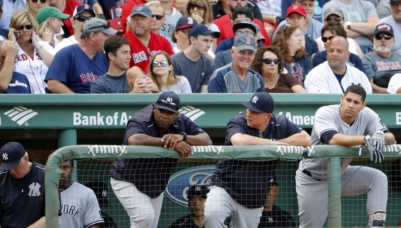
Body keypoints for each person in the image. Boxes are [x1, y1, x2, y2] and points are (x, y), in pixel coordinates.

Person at [204, 92, 311, 228]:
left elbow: (306, 139)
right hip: (225, 186)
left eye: (255, 112)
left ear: (268, 116)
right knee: (211, 217)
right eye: (249, 109)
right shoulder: (238, 121)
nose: (249, 114)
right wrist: (270, 144)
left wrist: (279, 142)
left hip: (254, 195)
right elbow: (239, 140)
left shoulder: (280, 123)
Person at [296, 85, 397, 228]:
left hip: (340, 175)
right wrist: (366, 139)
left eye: (356, 102)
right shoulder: (325, 112)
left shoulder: (368, 114)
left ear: (363, 105)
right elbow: (332, 139)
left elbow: (391, 137)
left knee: (378, 178)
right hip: (313, 178)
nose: (351, 105)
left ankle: (376, 224)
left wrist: (380, 137)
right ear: (342, 99)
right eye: (348, 100)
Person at [109, 92, 212, 228]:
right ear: (154, 108)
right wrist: (169, 142)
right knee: (145, 217)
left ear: (176, 115)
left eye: (169, 113)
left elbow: (207, 140)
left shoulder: (181, 120)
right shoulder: (142, 118)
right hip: (127, 179)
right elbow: (134, 139)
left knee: (150, 224)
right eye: (161, 110)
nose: (164, 115)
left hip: (155, 184)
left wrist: (183, 137)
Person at [45, 18, 116, 93]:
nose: (109, 39)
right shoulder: (66, 54)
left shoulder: (104, 57)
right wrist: (78, 102)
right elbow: (53, 84)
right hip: (75, 102)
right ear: (93, 36)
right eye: (105, 35)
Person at [0, 142, 45, 227]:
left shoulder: (45, 175)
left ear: (25, 158)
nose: (11, 171)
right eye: (7, 167)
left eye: (14, 166)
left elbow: (51, 215)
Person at [91, 36, 158, 93]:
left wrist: (153, 87)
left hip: (147, 108)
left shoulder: (134, 74)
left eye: (129, 52)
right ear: (111, 56)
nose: (129, 56)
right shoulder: (99, 85)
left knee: (135, 70)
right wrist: (135, 93)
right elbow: (107, 108)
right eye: (124, 52)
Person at [305, 36, 372, 93]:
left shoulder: (359, 76)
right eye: (331, 51)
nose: (334, 54)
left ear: (347, 54)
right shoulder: (316, 74)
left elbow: (368, 101)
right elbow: (323, 104)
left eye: (339, 51)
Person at [9, 10, 54, 94]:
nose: (24, 30)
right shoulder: (9, 49)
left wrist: (37, 45)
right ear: (13, 29)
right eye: (20, 27)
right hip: (25, 98)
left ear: (33, 28)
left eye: (28, 27)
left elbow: (55, 65)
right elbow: (7, 73)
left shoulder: (43, 45)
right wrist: (13, 45)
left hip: (50, 97)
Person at [124, 4, 174, 73]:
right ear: (131, 21)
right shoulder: (123, 43)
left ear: (151, 21)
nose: (139, 22)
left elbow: (173, 67)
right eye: (135, 19)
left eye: (143, 19)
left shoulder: (163, 42)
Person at [172, 24, 218, 93]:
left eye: (210, 41)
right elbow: (174, 93)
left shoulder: (209, 64)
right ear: (192, 40)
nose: (209, 45)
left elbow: (204, 95)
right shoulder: (174, 61)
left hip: (198, 103)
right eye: (205, 40)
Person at [58, 160, 104, 228]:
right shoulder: (42, 191)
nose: (61, 172)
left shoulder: (86, 192)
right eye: (58, 168)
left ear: (72, 169)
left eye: (65, 167)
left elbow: (93, 225)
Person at [362, 23, 401, 93]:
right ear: (373, 40)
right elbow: (368, 84)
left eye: (387, 36)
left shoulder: (399, 58)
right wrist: (390, 91)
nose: (383, 40)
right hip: (379, 97)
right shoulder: (367, 59)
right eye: (379, 36)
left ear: (393, 41)